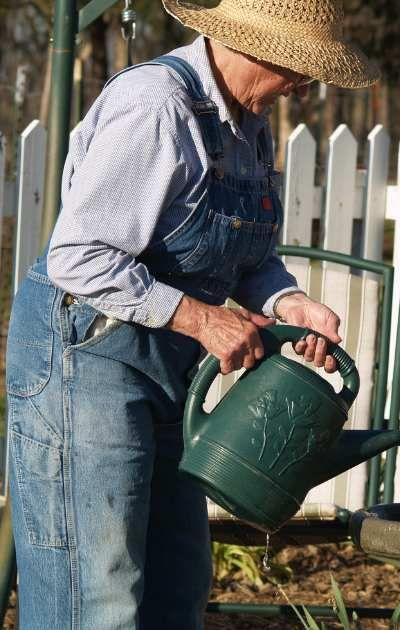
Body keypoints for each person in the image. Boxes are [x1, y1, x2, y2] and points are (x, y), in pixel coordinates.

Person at [3, 0, 379, 627]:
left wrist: (290, 302)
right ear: (256, 47)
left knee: (177, 583)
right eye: (299, 69)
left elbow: (249, 257)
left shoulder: (249, 125)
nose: (302, 87)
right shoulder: (156, 107)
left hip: (168, 369)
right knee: (98, 593)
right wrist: (204, 320)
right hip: (86, 358)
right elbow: (79, 256)